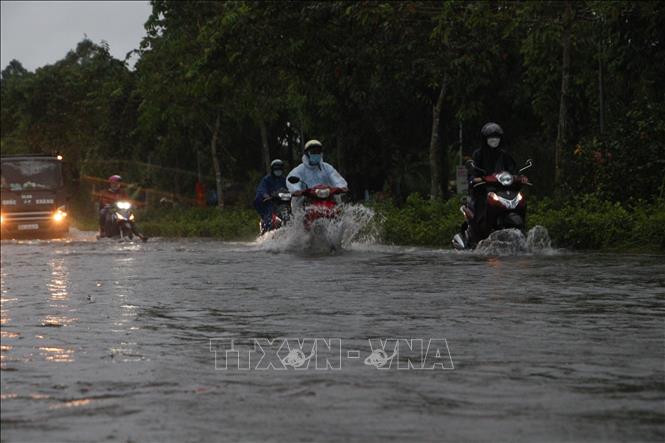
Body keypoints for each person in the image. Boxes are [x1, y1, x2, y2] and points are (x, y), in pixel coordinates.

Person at [464, 122, 519, 244]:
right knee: (481, 205)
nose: (494, 140)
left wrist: (518, 177)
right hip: (483, 190)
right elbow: (473, 172)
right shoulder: (478, 154)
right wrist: (476, 178)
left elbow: (512, 169)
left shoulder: (504, 155)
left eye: (496, 137)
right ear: (485, 139)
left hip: (502, 190)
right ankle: (479, 233)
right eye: (490, 137)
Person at [254, 159, 288, 232]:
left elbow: (291, 187)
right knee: (269, 217)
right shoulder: (267, 179)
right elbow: (261, 188)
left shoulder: (284, 179)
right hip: (271, 202)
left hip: (284, 202)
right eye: (276, 169)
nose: (278, 170)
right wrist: (266, 195)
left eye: (280, 168)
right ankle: (266, 230)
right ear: (272, 169)